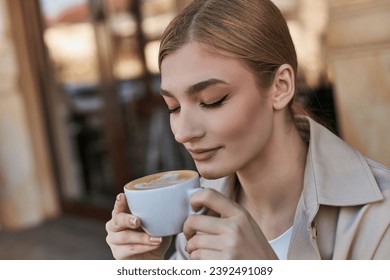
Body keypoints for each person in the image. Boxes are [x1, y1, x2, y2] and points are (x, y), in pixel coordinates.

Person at [105, 0, 390, 260]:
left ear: (280, 87)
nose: (182, 133)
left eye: (212, 101)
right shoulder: (198, 211)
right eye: (173, 107)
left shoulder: (379, 218)